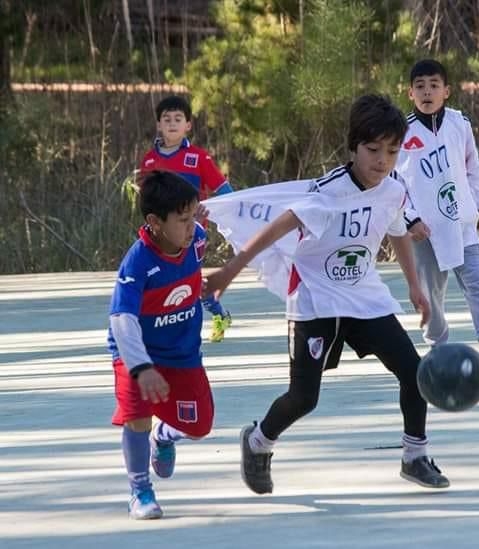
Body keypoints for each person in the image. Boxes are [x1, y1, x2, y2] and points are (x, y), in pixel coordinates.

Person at [203, 95, 451, 493]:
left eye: (392, 151)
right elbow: (279, 227)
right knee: (304, 398)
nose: (382, 160)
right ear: (353, 147)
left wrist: (414, 286)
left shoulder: (391, 190)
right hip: (315, 299)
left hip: (364, 297)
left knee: (413, 372)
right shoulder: (328, 194)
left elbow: (397, 230)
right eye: (373, 150)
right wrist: (229, 271)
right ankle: (257, 441)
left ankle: (415, 456)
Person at [393, 59, 479, 376]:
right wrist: (409, 220)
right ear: (410, 93)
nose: (427, 91)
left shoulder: (459, 124)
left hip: (462, 222)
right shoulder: (402, 133)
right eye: (419, 86)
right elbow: (395, 182)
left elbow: (473, 166)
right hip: (425, 230)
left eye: (434, 85)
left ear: (446, 91)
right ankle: (439, 350)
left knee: (478, 283)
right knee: (431, 293)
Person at [108, 170, 215, 519]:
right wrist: (141, 367)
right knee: (137, 416)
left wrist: (211, 301)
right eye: (182, 219)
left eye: (192, 216)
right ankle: (139, 490)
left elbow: (196, 267)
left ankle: (164, 437)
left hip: (182, 353)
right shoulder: (137, 264)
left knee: (200, 425)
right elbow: (122, 319)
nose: (191, 225)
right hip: (135, 354)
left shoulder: (196, 240)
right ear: (154, 222)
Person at [139, 95, 233, 343]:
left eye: (178, 119)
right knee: (164, 280)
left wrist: (211, 211)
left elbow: (225, 192)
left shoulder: (199, 158)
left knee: (189, 278)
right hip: (159, 235)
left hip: (192, 232)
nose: (172, 123)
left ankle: (207, 320)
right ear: (159, 124)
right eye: (166, 119)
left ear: (188, 125)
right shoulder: (149, 160)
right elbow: (146, 197)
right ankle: (176, 322)